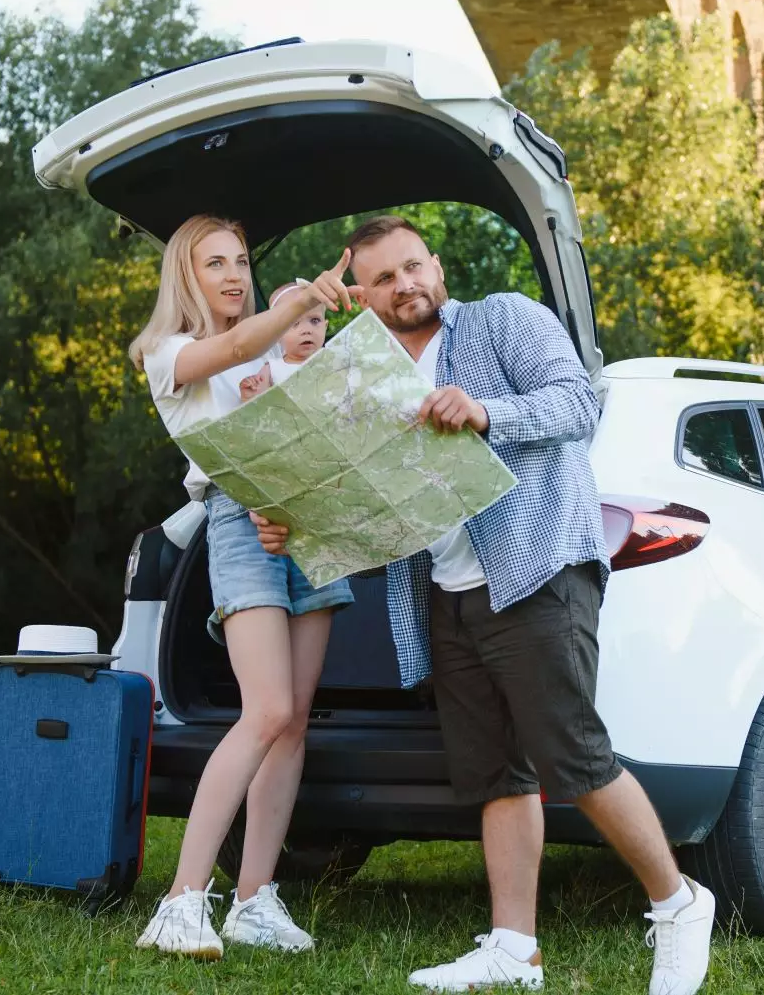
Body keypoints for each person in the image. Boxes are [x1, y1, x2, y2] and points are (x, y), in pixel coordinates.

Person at [252, 215, 716, 994]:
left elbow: (577, 404)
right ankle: (513, 948)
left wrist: (487, 412)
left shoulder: (504, 318)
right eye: (386, 279)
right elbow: (359, 500)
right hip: (447, 592)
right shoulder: (361, 380)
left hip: (538, 572)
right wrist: (292, 525)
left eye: (414, 267)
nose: (407, 286)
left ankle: (677, 903)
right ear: (362, 297)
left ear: (436, 264)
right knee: (496, 775)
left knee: (573, 754)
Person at [129, 214, 357, 958]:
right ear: (185, 277)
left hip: (306, 519)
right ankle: (180, 900)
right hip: (238, 521)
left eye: (239, 261)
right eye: (214, 263)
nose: (232, 274)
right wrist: (297, 303)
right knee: (264, 710)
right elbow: (231, 348)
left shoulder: (277, 350)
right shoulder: (169, 352)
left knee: (294, 719)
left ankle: (255, 898)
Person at [239, 279, 329, 400]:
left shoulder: (332, 357)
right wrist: (250, 393)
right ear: (277, 334)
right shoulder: (272, 369)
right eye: (294, 323)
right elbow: (258, 404)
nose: (306, 330)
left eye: (315, 320)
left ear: (325, 326)